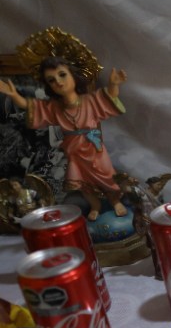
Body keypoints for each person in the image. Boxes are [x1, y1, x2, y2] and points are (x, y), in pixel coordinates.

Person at [0, 56, 128, 221]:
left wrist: (114, 84)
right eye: (51, 80)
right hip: (74, 152)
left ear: (73, 75)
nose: (58, 82)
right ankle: (95, 206)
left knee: (107, 176)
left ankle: (115, 201)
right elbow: (32, 107)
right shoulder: (55, 108)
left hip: (94, 148)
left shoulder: (89, 100)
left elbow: (109, 97)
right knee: (82, 183)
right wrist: (13, 95)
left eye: (62, 75)